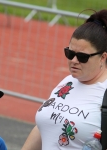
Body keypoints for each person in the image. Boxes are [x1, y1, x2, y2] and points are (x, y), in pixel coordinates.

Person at [21, 9, 107, 150]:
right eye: (70, 53)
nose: (73, 60)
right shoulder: (68, 81)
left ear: (102, 57)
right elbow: (44, 127)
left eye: (82, 57)